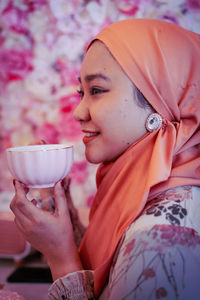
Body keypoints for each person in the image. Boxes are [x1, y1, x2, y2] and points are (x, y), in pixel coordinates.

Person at [10, 18, 200, 300]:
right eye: (81, 93)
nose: (78, 112)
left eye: (96, 90)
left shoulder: (161, 242)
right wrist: (66, 227)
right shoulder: (140, 189)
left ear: (160, 99)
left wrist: (61, 258)